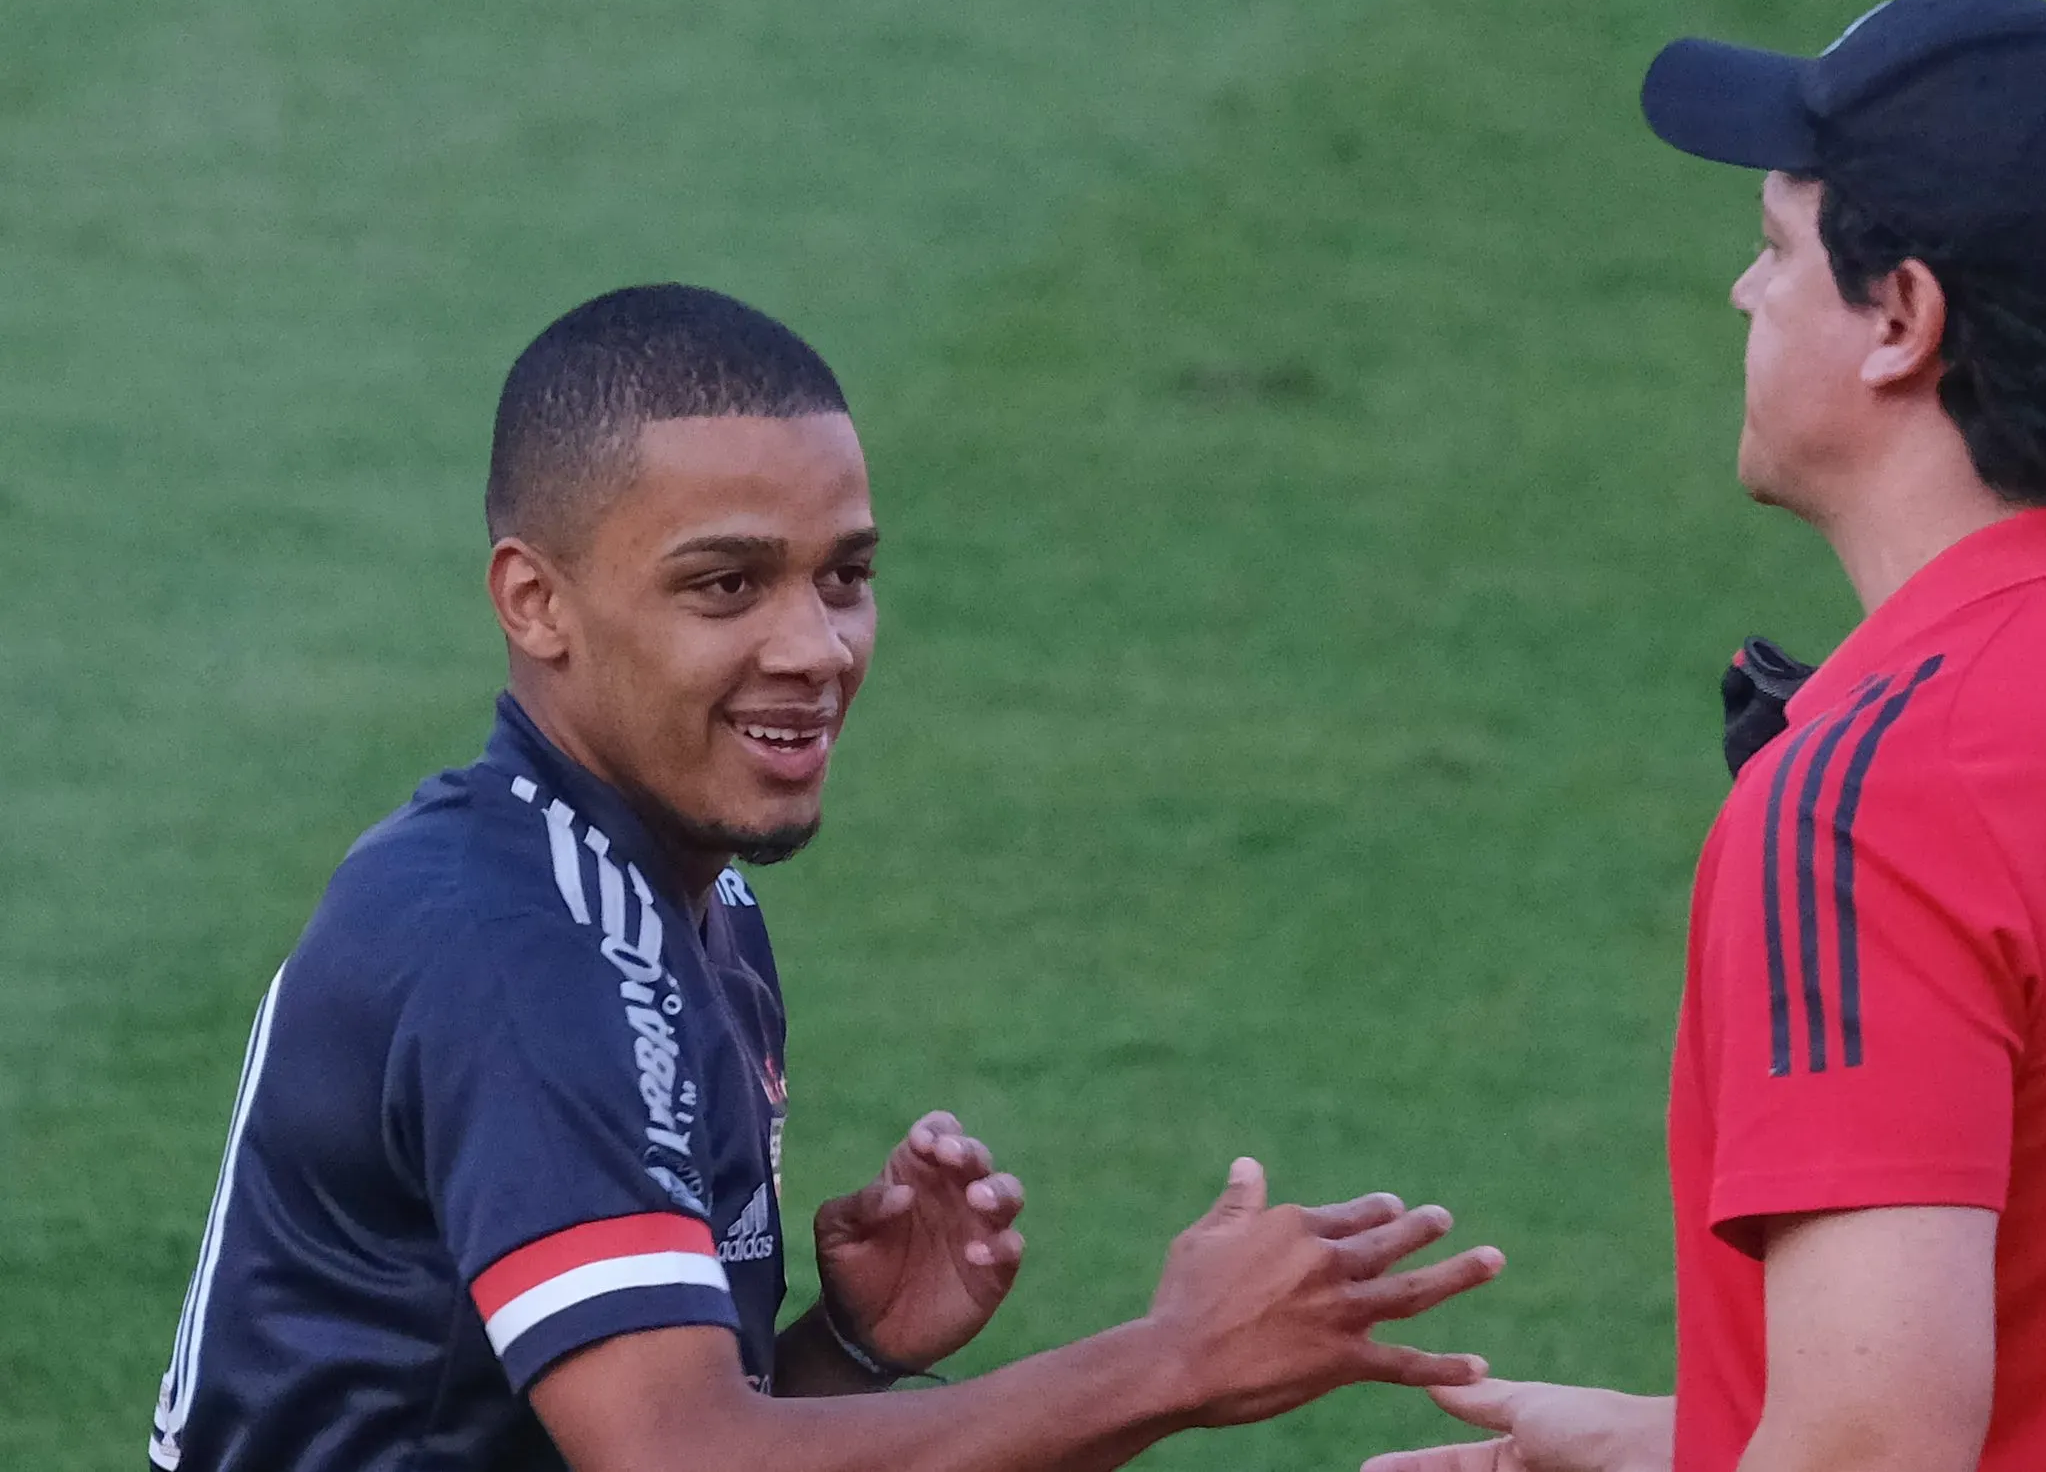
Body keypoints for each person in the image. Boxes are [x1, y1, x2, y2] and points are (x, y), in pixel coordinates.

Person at [148, 283, 1504, 1472]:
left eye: (844, 576)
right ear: (535, 602)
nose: (816, 646)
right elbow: (682, 1461)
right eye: (726, 586)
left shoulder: (685, 902)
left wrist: (845, 1350)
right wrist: (1175, 1360)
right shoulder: (513, 943)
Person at [1366, 0, 2046, 1472]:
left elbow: (1870, 1451)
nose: (1742, 293)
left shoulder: (1874, 794)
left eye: (1778, 248)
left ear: (1900, 320)